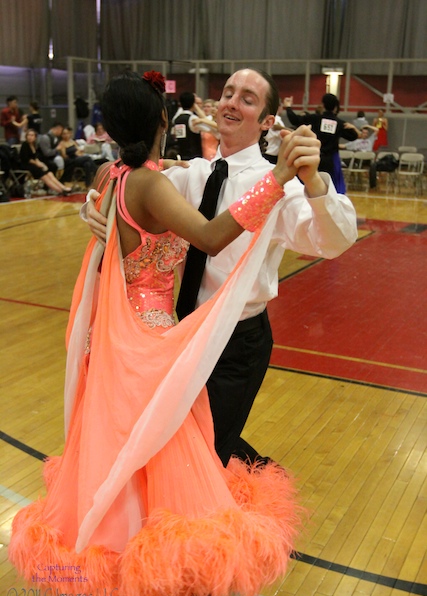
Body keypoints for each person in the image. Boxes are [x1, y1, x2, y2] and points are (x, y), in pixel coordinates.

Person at [9, 69, 305, 596]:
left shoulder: (114, 174)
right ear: (163, 122)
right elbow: (212, 237)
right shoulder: (150, 186)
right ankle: (153, 577)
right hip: (148, 334)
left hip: (120, 334)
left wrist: (89, 211)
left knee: (126, 457)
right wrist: (278, 180)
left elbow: (109, 216)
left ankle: (117, 566)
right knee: (163, 457)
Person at [84, 68, 358, 469]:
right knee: (180, 441)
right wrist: (92, 205)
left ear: (267, 122)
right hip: (182, 334)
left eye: (247, 98)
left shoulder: (278, 186)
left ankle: (254, 472)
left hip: (237, 342)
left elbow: (334, 242)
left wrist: (315, 182)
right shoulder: (191, 173)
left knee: (203, 453)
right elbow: (127, 188)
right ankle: (253, 468)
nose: (230, 102)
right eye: (227, 92)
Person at [283, 93, 358, 193]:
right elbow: (353, 136)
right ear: (335, 107)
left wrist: (288, 107)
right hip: (330, 161)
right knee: (329, 188)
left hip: (313, 158)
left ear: (323, 105)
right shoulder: (339, 123)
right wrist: (353, 128)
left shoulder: (315, 119)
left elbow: (294, 120)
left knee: (308, 186)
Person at [19, 129, 72, 195]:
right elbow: (27, 159)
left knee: (49, 173)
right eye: (28, 135)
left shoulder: (34, 145)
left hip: (34, 163)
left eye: (32, 135)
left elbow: (35, 158)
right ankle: (59, 190)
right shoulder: (25, 145)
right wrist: (38, 164)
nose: (30, 137)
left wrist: (42, 164)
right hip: (26, 165)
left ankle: (63, 187)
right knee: (44, 175)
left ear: (35, 137)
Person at [171, 91, 214, 160]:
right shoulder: (192, 119)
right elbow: (209, 128)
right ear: (193, 104)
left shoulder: (177, 119)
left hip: (182, 156)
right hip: (194, 158)